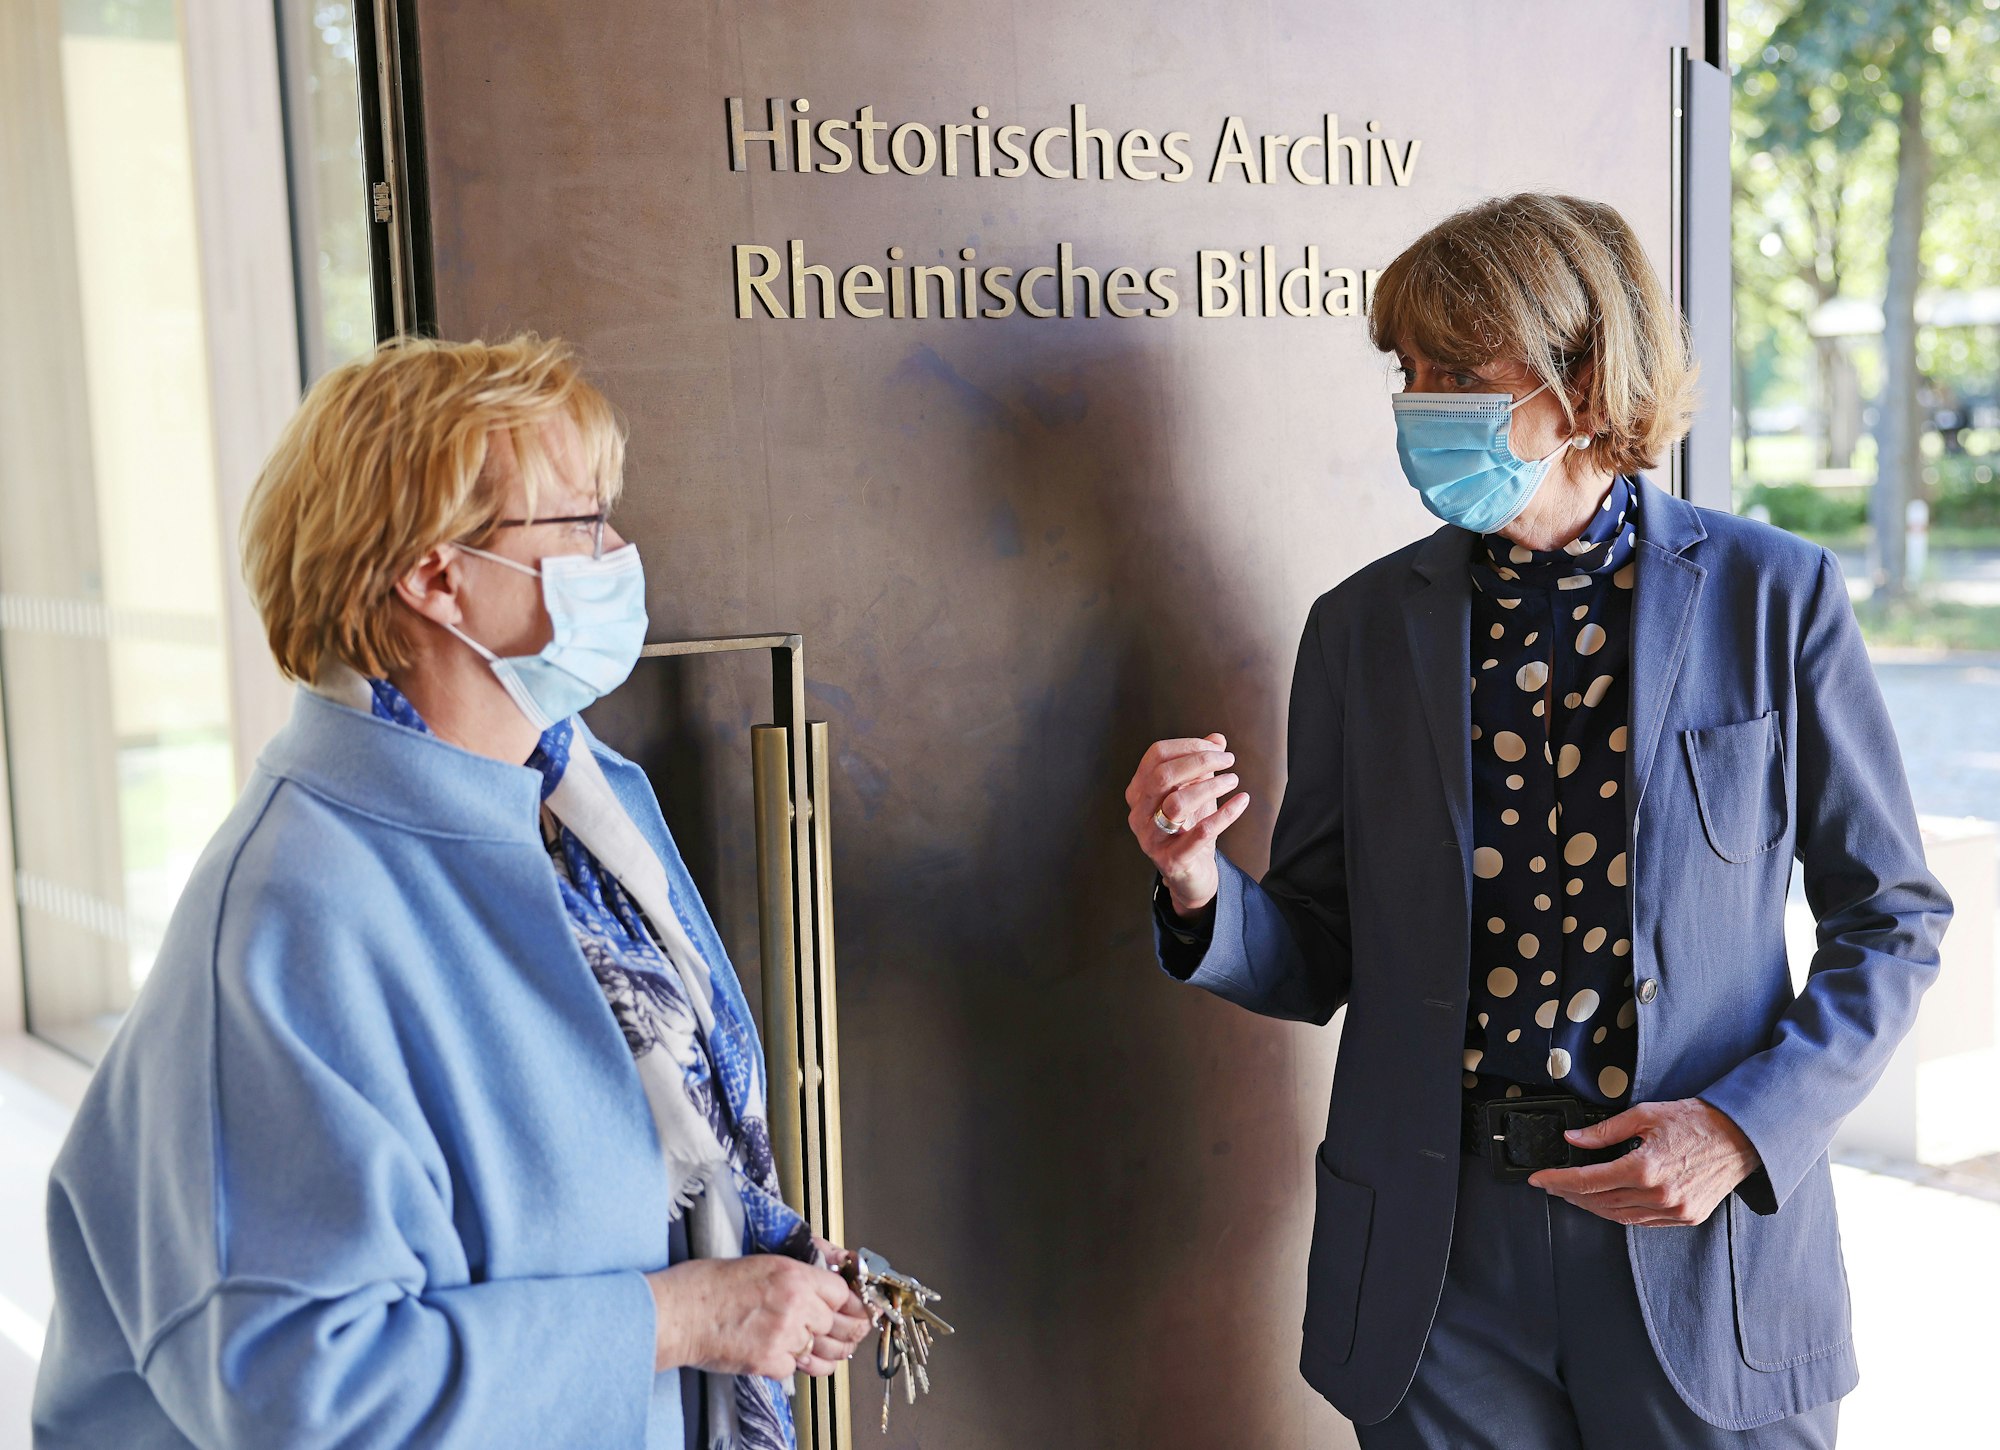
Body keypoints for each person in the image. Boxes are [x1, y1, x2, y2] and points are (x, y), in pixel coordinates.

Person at [1123, 194, 1951, 1448]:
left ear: (1578, 377)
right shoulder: (1359, 629)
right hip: (1437, 1260)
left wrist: (1738, 1128)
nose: (1417, 402)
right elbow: (1314, 949)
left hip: (1695, 1241)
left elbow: (1888, 921)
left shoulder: (1772, 597)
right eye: (1406, 371)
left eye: (1455, 370)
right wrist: (1194, 881)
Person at [34, 335, 870, 1449]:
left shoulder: (571, 802)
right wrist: (684, 1316)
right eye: (580, 524)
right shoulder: (288, 914)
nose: (618, 551)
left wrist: (754, 1267)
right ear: (435, 575)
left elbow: (625, 1159)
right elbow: (304, 1395)